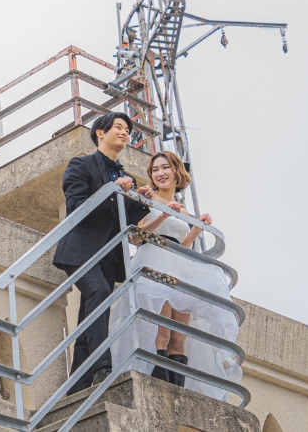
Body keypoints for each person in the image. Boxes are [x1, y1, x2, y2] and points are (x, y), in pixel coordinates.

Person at [107, 151, 242, 401]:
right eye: (156, 169)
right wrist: (164, 215)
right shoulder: (145, 198)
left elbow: (184, 246)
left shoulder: (184, 210)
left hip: (180, 266)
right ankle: (158, 394)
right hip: (155, 263)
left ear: (177, 172)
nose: (161, 173)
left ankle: (175, 397)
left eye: (166, 167)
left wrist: (195, 228)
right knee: (162, 334)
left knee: (179, 340)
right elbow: (136, 236)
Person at [53, 112, 151, 393]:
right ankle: (103, 366)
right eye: (118, 127)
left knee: (90, 313)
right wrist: (111, 190)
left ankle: (78, 386)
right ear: (100, 132)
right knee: (98, 292)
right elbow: (75, 207)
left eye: (127, 130)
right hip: (82, 250)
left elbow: (128, 223)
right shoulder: (80, 165)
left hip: (110, 255)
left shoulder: (126, 177)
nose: (124, 133)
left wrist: (142, 200)